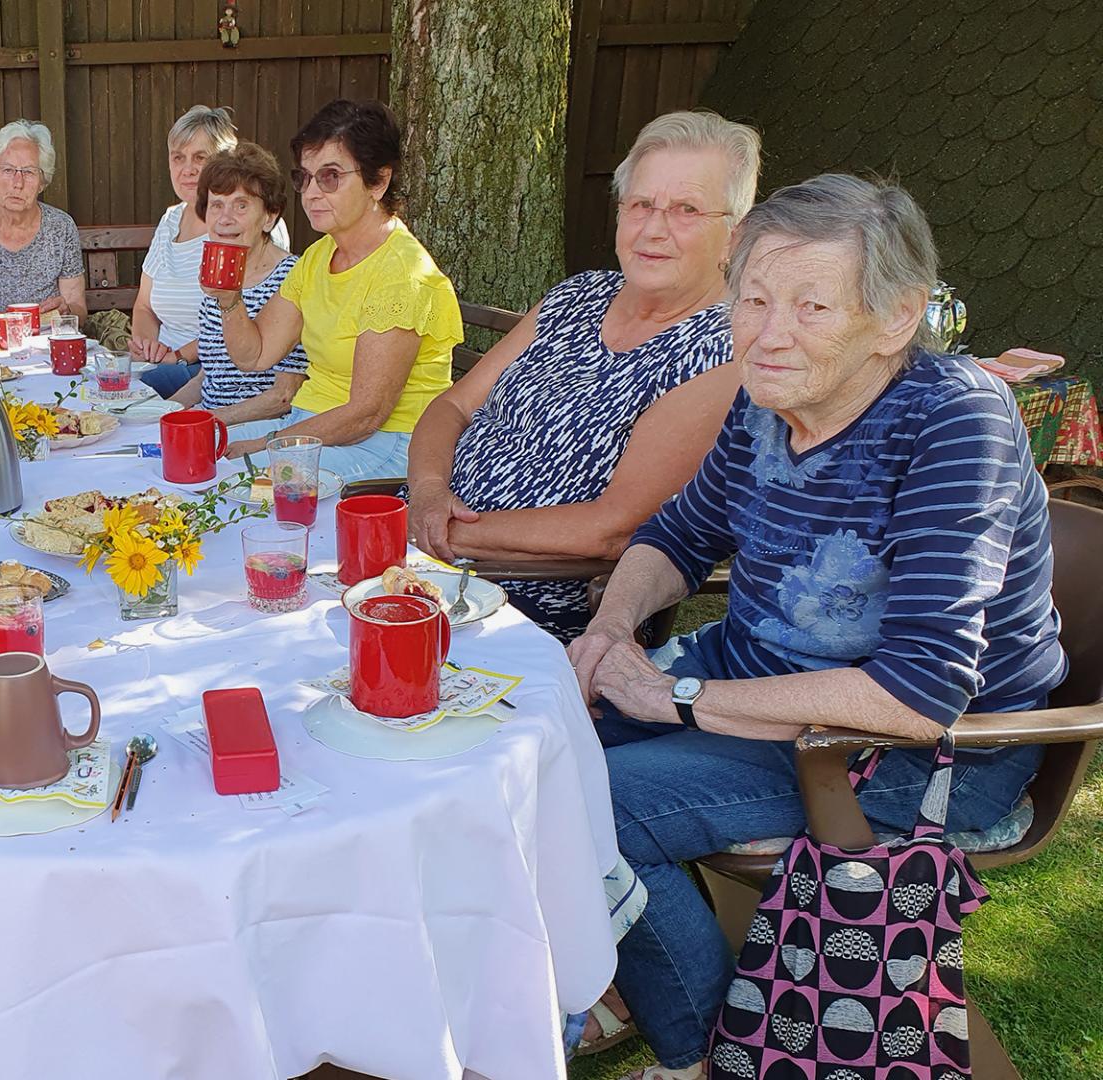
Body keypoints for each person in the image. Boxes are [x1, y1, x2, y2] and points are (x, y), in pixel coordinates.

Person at [569, 174, 1066, 1080]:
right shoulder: (769, 396)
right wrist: (611, 628)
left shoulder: (955, 421)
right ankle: (617, 974)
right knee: (520, 739)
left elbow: (918, 694)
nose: (767, 332)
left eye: (810, 304)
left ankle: (706, 1052)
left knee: (579, 806)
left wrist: (675, 695)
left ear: (895, 318)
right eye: (752, 299)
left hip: (898, 754)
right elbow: (680, 534)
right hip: (759, 691)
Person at [404, 110, 756, 642]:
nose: (653, 228)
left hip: (515, 612)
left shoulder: (724, 352)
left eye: (686, 209)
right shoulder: (578, 296)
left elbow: (613, 530)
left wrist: (439, 534)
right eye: (640, 204)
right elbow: (452, 406)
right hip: (425, 562)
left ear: (736, 234)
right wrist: (429, 493)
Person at [204, 99, 464, 482]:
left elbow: (365, 415)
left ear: (378, 181)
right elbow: (256, 355)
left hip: (385, 446)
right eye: (305, 177)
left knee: (229, 479)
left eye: (330, 177)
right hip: (311, 427)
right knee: (197, 446)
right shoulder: (320, 255)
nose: (310, 193)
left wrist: (267, 445)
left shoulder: (401, 276)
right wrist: (229, 300)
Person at [133, 105, 290, 398]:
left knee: (125, 396)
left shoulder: (253, 238)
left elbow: (272, 384)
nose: (188, 169)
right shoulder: (171, 222)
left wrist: (178, 357)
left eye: (200, 157)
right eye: (178, 158)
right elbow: (145, 306)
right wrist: (146, 348)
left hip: (201, 373)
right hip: (177, 369)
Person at [166, 144, 308, 425]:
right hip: (213, 421)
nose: (225, 218)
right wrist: (161, 413)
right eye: (216, 205)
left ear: (269, 216)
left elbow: (284, 395)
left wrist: (204, 422)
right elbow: (211, 376)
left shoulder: (293, 279)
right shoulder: (220, 279)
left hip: (259, 431)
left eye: (241, 205)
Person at [0, 120, 87, 317]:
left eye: (28, 172)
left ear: (42, 182)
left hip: (44, 341)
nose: (17, 183)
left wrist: (67, 311)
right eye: (8, 170)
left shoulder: (61, 227)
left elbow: (78, 310)